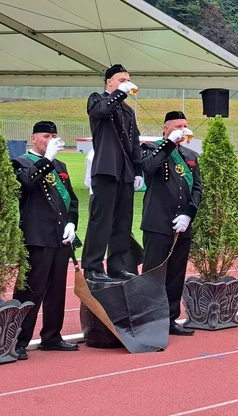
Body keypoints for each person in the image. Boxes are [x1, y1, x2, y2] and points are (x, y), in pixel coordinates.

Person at [12, 121, 79, 360]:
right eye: (45, 136)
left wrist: (72, 223)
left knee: (57, 291)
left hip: (60, 238)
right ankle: (18, 339)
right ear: (33, 138)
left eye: (53, 135)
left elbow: (72, 199)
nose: (50, 139)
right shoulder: (20, 162)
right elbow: (28, 183)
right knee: (30, 291)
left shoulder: (60, 165)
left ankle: (52, 336)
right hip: (37, 237)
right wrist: (47, 158)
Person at [140, 111, 202, 336]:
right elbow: (148, 167)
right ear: (166, 128)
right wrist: (169, 143)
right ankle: (148, 320)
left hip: (182, 224)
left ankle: (170, 319)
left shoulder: (191, 155)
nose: (183, 130)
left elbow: (197, 188)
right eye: (178, 126)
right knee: (153, 274)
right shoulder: (150, 148)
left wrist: (189, 214)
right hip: (158, 222)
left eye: (185, 126)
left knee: (176, 275)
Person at [82, 64, 143, 282]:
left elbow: (134, 141)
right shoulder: (97, 99)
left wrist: (138, 170)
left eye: (128, 79)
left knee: (123, 221)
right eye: (121, 79)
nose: (125, 83)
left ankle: (118, 265)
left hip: (125, 170)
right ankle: (93, 267)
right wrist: (120, 92)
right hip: (106, 168)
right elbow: (102, 111)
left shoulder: (127, 110)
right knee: (102, 219)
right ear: (109, 81)